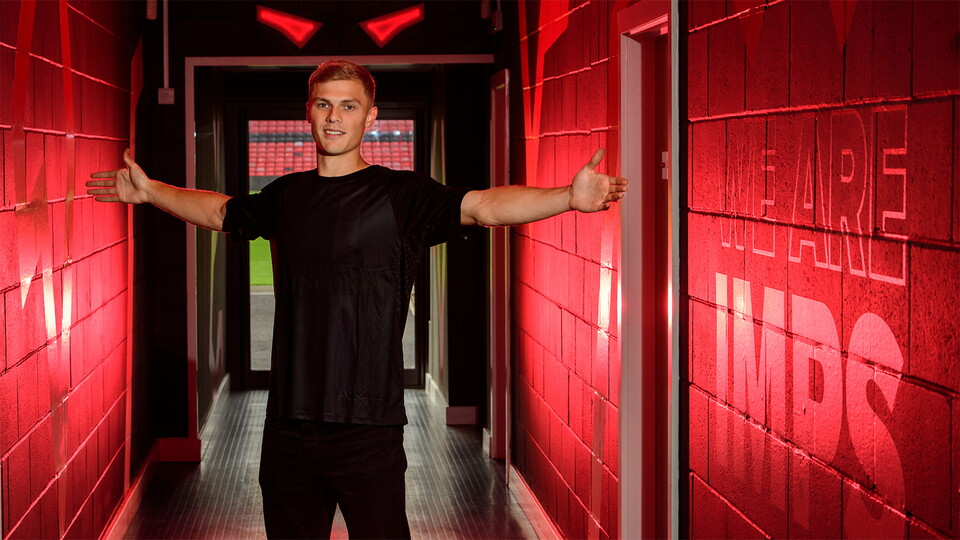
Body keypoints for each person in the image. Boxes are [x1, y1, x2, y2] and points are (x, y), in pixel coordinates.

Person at [88, 60, 627, 539]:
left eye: (348, 106)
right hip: (287, 429)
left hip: (368, 430)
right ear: (308, 112)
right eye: (323, 104)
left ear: (370, 117)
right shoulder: (287, 196)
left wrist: (566, 198)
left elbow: (484, 206)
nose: (333, 117)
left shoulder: (404, 196)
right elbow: (219, 212)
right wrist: (150, 190)